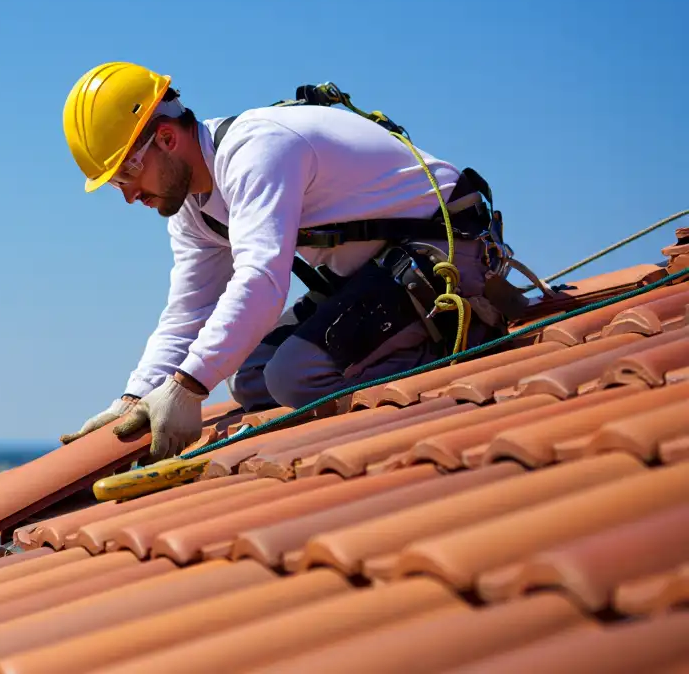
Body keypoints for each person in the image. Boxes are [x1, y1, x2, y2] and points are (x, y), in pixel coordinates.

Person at [58, 61, 516, 461]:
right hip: (379, 270)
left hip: (445, 254)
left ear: (165, 138)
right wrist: (135, 396)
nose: (129, 195)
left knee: (295, 376)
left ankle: (467, 341)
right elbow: (190, 311)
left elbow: (262, 280)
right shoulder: (193, 211)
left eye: (127, 172)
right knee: (253, 377)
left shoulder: (256, 151)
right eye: (116, 183)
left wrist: (189, 386)